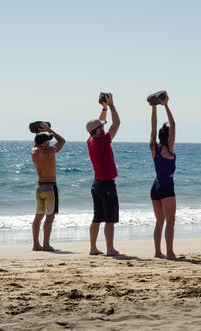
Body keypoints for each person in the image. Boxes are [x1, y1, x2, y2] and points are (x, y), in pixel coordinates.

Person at [86, 92, 121, 256]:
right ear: (98, 131)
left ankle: (93, 248)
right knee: (109, 219)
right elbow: (117, 123)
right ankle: (110, 249)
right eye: (101, 127)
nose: (104, 128)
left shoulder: (90, 140)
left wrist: (104, 108)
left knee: (97, 218)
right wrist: (112, 105)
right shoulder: (103, 140)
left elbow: (101, 123)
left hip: (96, 185)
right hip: (107, 184)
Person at [149, 93, 177, 259]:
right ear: (168, 136)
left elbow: (153, 125)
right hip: (166, 186)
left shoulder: (154, 147)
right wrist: (165, 105)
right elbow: (172, 124)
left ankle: (158, 252)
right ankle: (170, 253)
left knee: (160, 221)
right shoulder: (169, 148)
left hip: (155, 186)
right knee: (170, 222)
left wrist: (153, 107)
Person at [30, 123, 66, 251]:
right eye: (47, 142)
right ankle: (46, 245)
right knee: (50, 217)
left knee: (38, 217)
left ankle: (35, 244)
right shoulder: (50, 152)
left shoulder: (33, 152)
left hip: (39, 187)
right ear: (43, 144)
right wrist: (50, 130)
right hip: (50, 188)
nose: (49, 143)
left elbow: (37, 144)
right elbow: (62, 141)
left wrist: (40, 134)